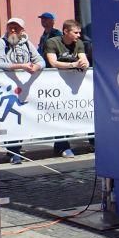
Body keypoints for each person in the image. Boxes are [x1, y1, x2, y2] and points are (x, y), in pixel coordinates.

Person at [0, 17, 44, 164]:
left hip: (24, 87)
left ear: (22, 30)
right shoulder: (0, 43)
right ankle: (14, 151)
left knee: (22, 118)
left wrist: (36, 67)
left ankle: (15, 150)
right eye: (10, 27)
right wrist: (21, 66)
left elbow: (40, 60)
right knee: (11, 119)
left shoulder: (27, 43)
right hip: (5, 87)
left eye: (16, 27)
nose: (13, 30)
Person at [44, 19, 92, 158]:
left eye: (79, 32)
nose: (78, 35)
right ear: (66, 31)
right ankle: (62, 146)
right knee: (59, 114)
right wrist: (73, 65)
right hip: (55, 85)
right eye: (75, 32)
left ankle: (92, 142)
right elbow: (53, 62)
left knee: (78, 112)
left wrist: (83, 63)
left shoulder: (79, 43)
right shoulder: (52, 42)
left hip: (73, 84)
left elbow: (84, 59)